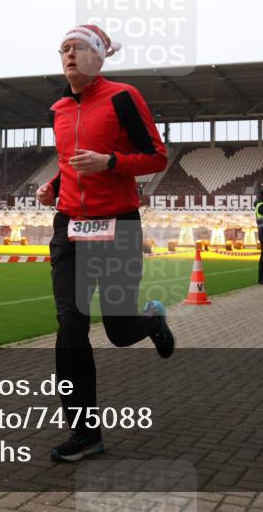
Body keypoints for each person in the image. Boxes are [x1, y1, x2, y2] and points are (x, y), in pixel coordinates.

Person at [36, 24, 175, 463]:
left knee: (117, 330)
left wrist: (110, 162)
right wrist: (54, 185)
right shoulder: (59, 108)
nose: (69, 54)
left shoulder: (122, 96)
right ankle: (85, 433)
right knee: (70, 326)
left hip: (117, 224)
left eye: (78, 47)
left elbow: (156, 156)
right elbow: (70, 162)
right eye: (63, 49)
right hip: (70, 228)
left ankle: (152, 321)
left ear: (99, 57)